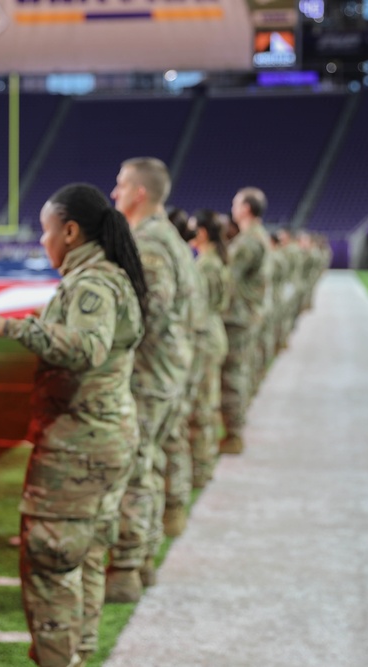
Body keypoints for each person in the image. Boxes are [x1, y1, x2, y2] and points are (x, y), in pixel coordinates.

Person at [0, 183, 146, 667]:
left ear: (70, 232)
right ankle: (79, 655)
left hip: (78, 450)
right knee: (87, 558)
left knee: (52, 565)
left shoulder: (92, 283)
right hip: (103, 441)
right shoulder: (105, 277)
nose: (42, 241)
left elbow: (84, 347)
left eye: (46, 231)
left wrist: (3, 325)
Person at [106, 157, 197, 602]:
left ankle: (127, 568)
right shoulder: (166, 237)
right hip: (167, 371)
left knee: (135, 469)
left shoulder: (151, 243)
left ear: (140, 192)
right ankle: (142, 559)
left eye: (121, 185)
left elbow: (148, 314)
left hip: (150, 375)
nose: (114, 192)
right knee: (150, 464)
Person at [220, 186, 272, 455]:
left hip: (237, 316)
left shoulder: (248, 241)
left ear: (246, 209)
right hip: (246, 314)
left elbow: (227, 276)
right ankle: (235, 425)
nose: (233, 208)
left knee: (231, 376)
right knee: (239, 371)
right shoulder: (256, 237)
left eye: (236, 204)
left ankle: (234, 434)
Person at [183, 209, 230, 490]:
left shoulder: (206, 266)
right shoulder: (214, 261)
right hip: (212, 333)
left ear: (201, 233)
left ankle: (201, 468)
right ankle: (205, 462)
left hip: (203, 338)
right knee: (206, 404)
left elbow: (196, 308)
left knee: (200, 408)